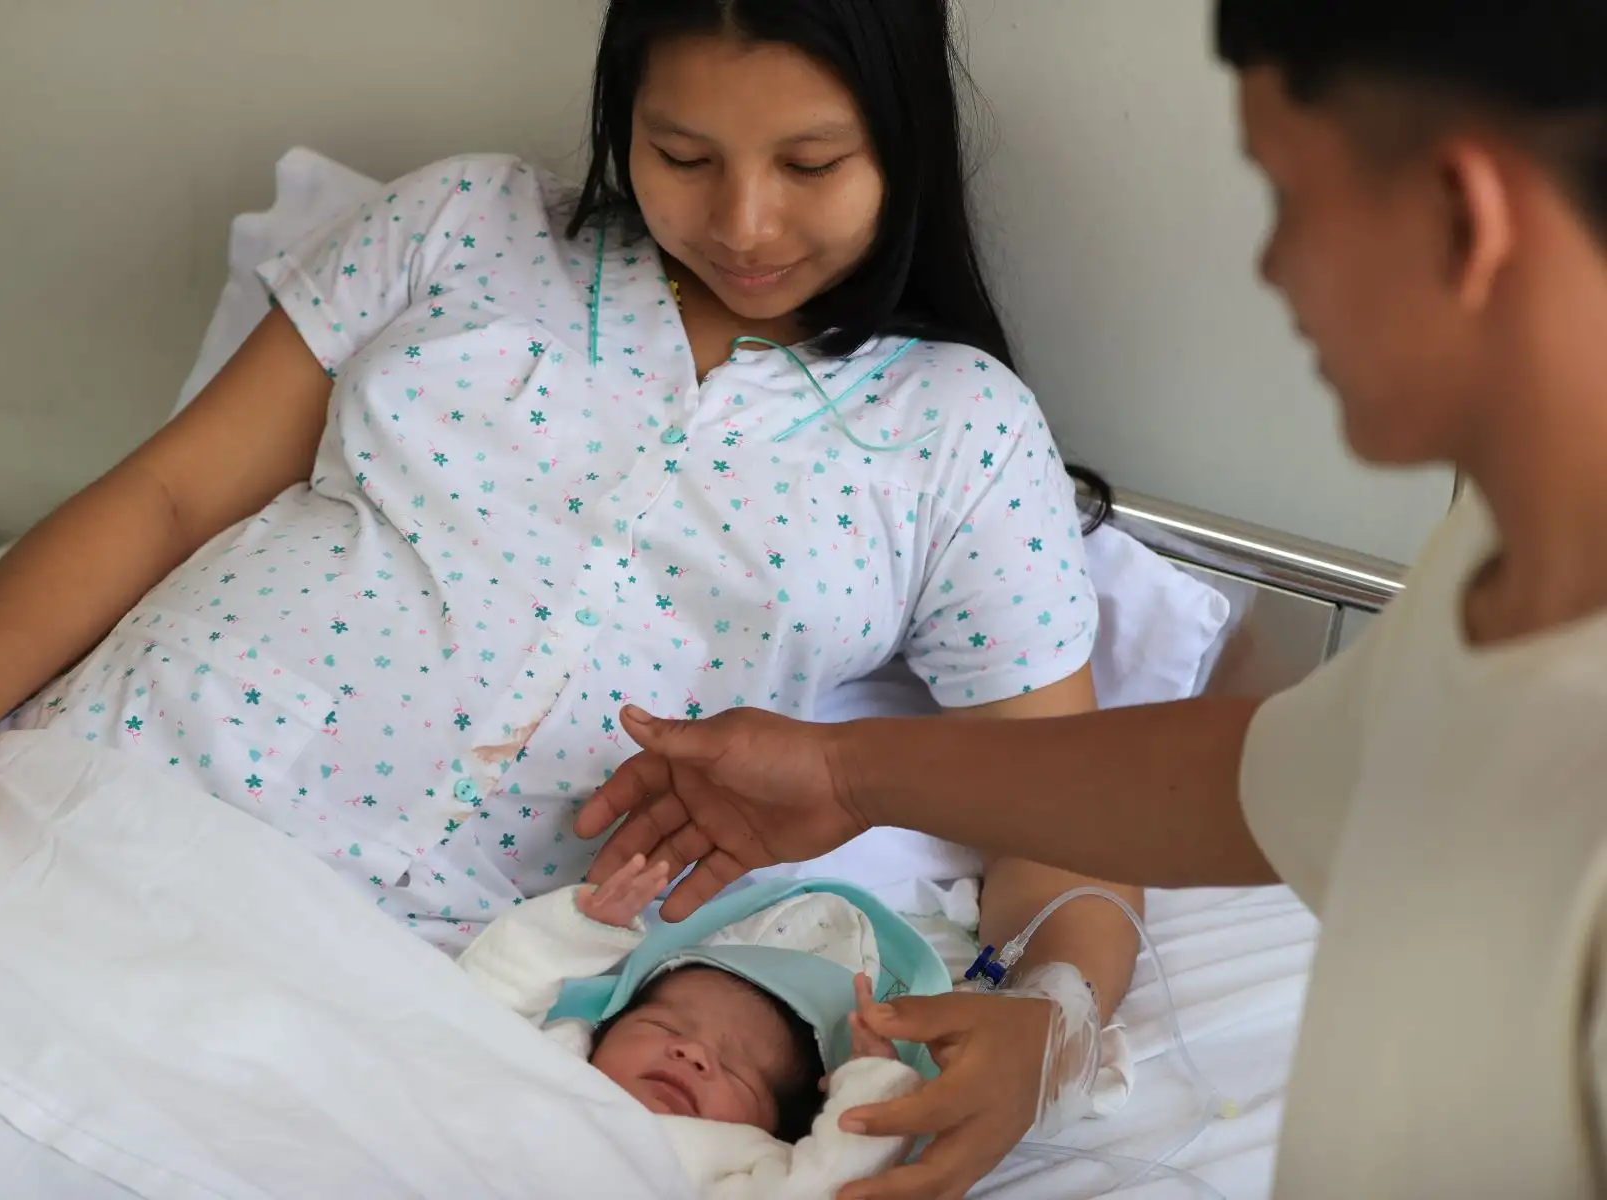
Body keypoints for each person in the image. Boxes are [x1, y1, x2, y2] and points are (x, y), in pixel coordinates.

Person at [0, 0, 1136, 1184]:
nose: (744, 223)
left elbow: (1066, 812)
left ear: (902, 142)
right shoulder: (466, 225)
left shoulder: (956, 435)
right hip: (110, 792)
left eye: (810, 165)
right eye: (682, 156)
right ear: (624, 122)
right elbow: (169, 495)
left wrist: (1056, 1024)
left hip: (407, 972)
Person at [579, 1, 1607, 1196]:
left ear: (1462, 218)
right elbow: (1285, 774)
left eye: (1292, 204)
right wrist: (851, 777)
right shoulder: (1512, 554)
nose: (1271, 270)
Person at [458, 852, 923, 1198]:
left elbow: (833, 1180)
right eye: (666, 1026)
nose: (693, 1054)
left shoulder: (746, 1164)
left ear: (780, 1128)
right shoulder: (556, 1054)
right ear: (609, 1025)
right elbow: (463, 1012)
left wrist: (875, 1086)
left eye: (740, 1069)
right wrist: (571, 933)